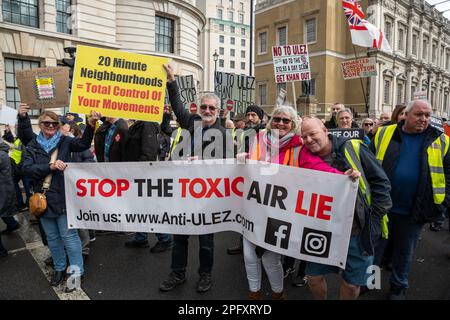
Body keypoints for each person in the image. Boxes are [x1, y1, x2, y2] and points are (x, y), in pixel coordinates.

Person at [239, 106, 348, 300]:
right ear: (271, 121)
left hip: (280, 213)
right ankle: (254, 293)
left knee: (269, 257)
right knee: (249, 256)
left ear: (293, 124)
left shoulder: (300, 146)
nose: (280, 123)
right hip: (254, 208)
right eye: (277, 119)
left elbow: (318, 167)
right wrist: (241, 160)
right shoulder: (258, 140)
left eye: (286, 120)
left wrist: (343, 179)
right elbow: (247, 167)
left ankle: (277, 294)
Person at [159, 64, 234, 293]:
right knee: (179, 237)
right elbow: (177, 105)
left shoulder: (224, 135)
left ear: (218, 111)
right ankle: (178, 273)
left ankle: (205, 275)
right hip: (183, 194)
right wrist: (171, 80)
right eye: (204, 107)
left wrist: (202, 164)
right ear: (199, 109)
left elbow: (227, 169)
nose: (207, 110)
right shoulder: (192, 122)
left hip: (206, 197)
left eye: (212, 107)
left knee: (205, 241)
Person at [300, 116, 392, 300]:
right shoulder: (301, 156)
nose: (309, 140)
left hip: (356, 232)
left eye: (313, 134)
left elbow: (381, 183)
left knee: (351, 285)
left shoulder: (354, 148)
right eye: (304, 137)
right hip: (320, 231)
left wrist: (373, 222)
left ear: (325, 131)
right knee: (313, 277)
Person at [370, 99, 450, 300]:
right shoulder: (384, 133)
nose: (424, 119)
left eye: (427, 115)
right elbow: (368, 162)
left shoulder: (441, 140)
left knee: (404, 252)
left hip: (414, 209)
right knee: (374, 250)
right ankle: (371, 283)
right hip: (381, 207)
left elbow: (448, 174)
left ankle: (398, 287)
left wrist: (443, 201)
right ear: (406, 114)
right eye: (419, 114)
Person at [18, 103, 100, 291]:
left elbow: (84, 144)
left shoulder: (65, 141)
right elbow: (27, 169)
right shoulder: (32, 144)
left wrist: (91, 124)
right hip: (43, 200)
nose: (51, 127)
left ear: (58, 125)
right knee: (53, 239)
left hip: (63, 197)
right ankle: (59, 268)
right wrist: (50, 167)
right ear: (40, 124)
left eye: (54, 124)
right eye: (47, 123)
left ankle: (76, 272)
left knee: (69, 238)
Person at [123, 113, 173, 253]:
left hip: (144, 175)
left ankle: (165, 238)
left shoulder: (147, 124)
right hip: (138, 173)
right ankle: (141, 237)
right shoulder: (139, 124)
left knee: (151, 207)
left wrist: (138, 173)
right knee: (139, 208)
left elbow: (149, 153)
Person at [227, 104, 267, 256]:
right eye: (248, 114)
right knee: (243, 213)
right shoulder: (242, 132)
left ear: (260, 118)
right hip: (243, 179)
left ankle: (257, 248)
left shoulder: (266, 134)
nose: (250, 118)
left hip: (259, 181)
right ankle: (243, 244)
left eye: (254, 115)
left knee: (258, 216)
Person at [0, 137, 17, 257]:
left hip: (3, 189)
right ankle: (12, 224)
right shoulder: (3, 153)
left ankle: (1, 251)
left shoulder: (1, 155)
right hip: (4, 189)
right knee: (3, 211)